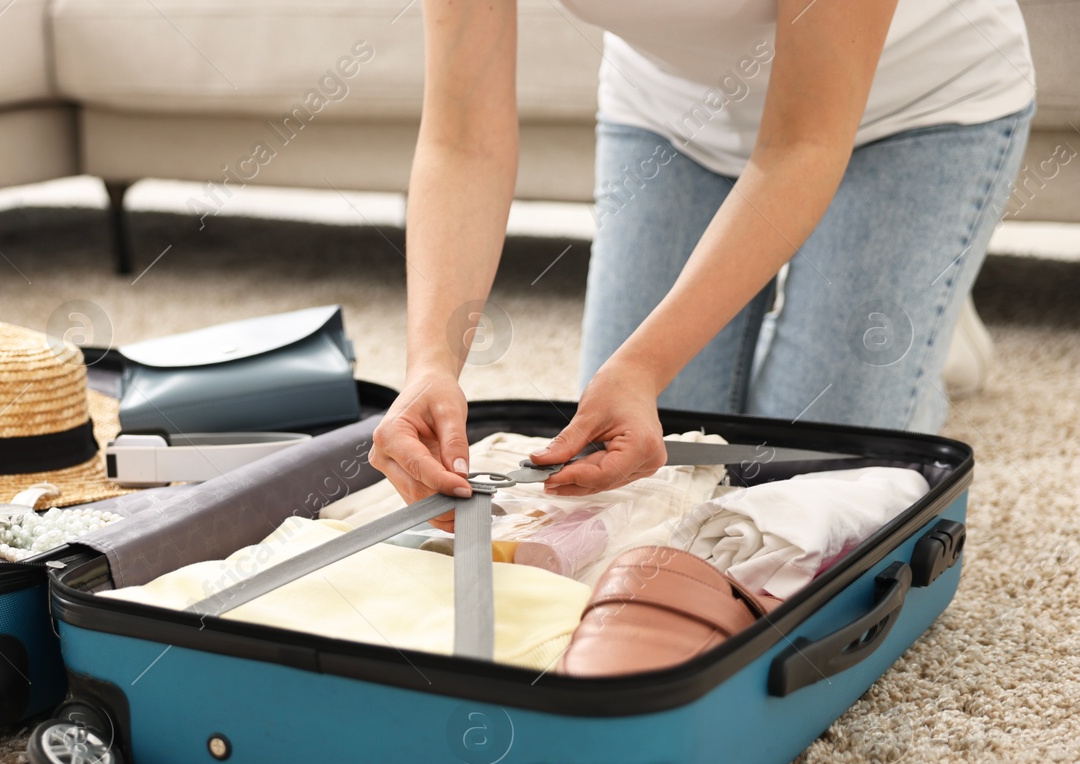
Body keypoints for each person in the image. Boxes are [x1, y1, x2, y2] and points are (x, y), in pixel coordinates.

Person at [371, 0, 1034, 506]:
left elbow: (802, 142)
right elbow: (463, 138)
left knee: (798, 486)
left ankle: (924, 321)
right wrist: (431, 362)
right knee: (634, 481)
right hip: (676, 112)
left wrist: (643, 362)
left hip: (914, 106)